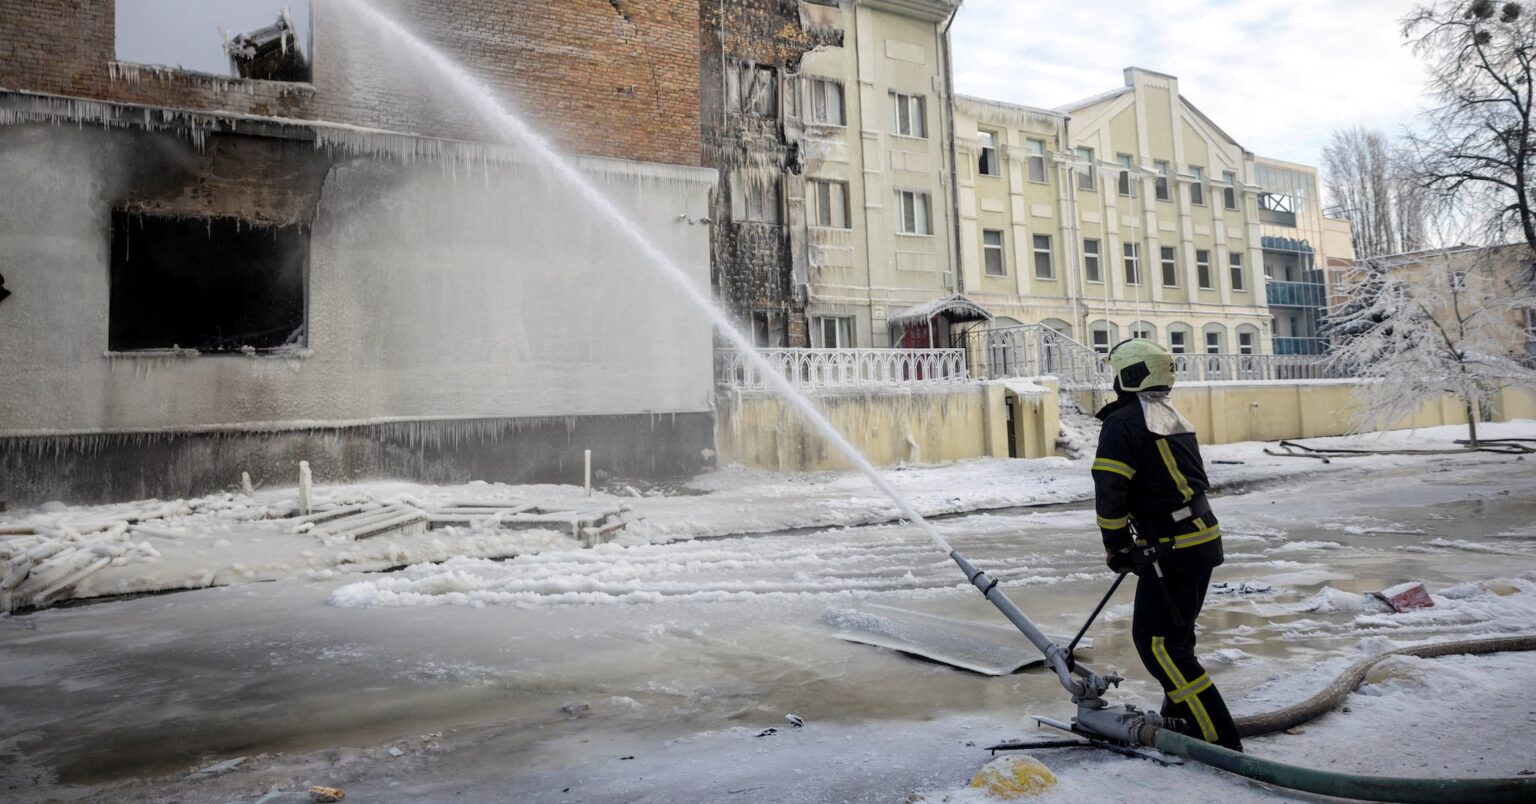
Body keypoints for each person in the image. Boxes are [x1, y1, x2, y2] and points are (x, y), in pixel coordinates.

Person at [1092, 338, 1243, 752]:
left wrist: (1118, 547)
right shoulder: (1167, 414)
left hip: (1173, 548)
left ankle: (1216, 738)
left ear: (1129, 375)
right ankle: (1186, 722)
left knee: (1159, 644)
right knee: (1176, 641)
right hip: (1199, 540)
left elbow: (1111, 490)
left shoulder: (1124, 421)